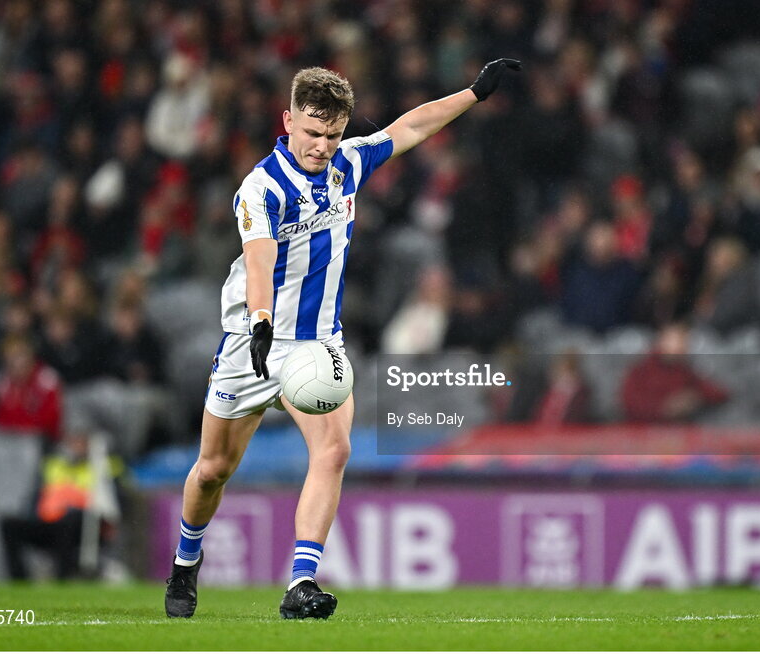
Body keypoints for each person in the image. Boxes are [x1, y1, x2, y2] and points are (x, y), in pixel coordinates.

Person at [164, 60, 521, 620]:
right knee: (212, 469)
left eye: (332, 135)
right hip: (252, 339)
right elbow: (258, 261)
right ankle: (186, 563)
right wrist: (260, 321)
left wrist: (474, 93)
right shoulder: (260, 188)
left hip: (318, 345)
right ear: (287, 121)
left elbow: (411, 127)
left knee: (333, 449)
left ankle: (300, 584)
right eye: (311, 134)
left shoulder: (347, 165)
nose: (322, 146)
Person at [620, 322, 729, 423]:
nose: (677, 347)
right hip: (642, 429)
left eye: (682, 342)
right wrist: (664, 409)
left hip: (676, 430)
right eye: (672, 341)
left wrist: (694, 397)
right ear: (660, 341)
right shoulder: (642, 369)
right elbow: (629, 402)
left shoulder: (686, 370)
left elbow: (717, 393)